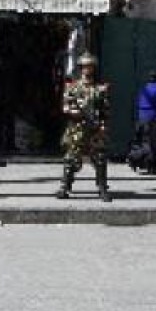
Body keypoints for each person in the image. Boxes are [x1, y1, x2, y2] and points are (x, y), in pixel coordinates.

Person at [56, 52, 111, 202]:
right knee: (71, 159)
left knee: (100, 159)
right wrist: (73, 112)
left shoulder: (100, 89)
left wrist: (103, 125)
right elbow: (65, 107)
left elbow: (105, 110)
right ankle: (65, 187)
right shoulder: (73, 87)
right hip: (77, 128)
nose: (87, 70)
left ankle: (102, 188)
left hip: (94, 129)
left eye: (90, 67)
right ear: (80, 68)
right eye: (85, 67)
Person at [131, 69, 156, 173]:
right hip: (152, 117)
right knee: (153, 141)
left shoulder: (144, 88)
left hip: (142, 116)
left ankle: (141, 162)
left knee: (143, 140)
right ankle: (151, 165)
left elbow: (138, 102)